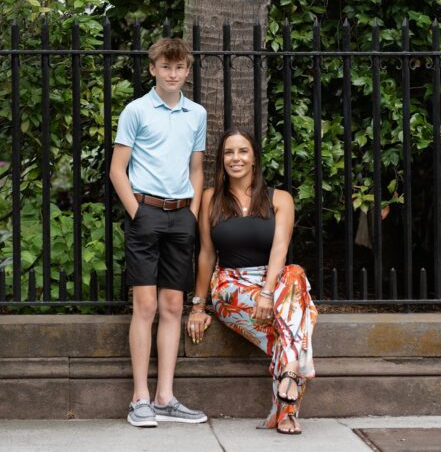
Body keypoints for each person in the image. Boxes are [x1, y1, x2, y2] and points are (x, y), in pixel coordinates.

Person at [187, 129, 318, 435]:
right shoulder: (210, 198)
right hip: (230, 286)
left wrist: (267, 294)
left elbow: (280, 249)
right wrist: (198, 306)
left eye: (243, 151)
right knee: (297, 331)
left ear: (255, 157)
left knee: (295, 272)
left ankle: (285, 398)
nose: (236, 158)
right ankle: (288, 402)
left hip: (273, 284)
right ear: (222, 160)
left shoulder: (280, 199)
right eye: (229, 152)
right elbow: (206, 255)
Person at [109, 37, 208, 428]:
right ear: (152, 69)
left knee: (172, 307)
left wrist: (193, 212)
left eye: (179, 67)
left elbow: (196, 168)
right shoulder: (136, 111)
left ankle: (165, 397)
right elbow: (118, 169)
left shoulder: (196, 114)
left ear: (186, 71)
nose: (172, 74)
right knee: (145, 307)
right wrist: (137, 212)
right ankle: (140, 399)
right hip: (147, 213)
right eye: (165, 67)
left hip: (181, 216)